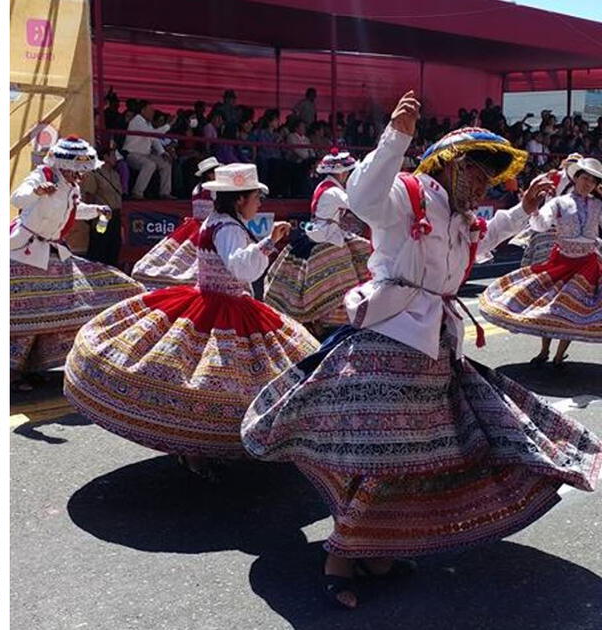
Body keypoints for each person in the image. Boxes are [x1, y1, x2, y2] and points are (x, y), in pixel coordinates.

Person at [242, 92, 600, 610]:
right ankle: (338, 559)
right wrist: (397, 136)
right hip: (385, 345)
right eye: (476, 171)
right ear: (451, 165)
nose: (482, 184)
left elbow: (487, 240)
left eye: (487, 177)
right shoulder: (406, 195)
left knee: (417, 460)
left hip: (435, 351)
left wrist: (523, 211)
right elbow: (362, 199)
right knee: (374, 456)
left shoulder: (460, 216)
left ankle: (375, 546)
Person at [66, 164, 318, 474]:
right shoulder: (227, 228)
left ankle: (201, 447)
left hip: (216, 301)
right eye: (256, 197)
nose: (259, 204)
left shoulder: (221, 221)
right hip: (222, 307)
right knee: (221, 381)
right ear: (240, 200)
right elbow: (243, 269)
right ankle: (209, 444)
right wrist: (269, 242)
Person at [10, 137, 144, 388]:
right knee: (25, 315)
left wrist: (96, 211)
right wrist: (36, 192)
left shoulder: (71, 186)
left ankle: (39, 364)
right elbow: (18, 198)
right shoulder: (43, 175)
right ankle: (13, 372)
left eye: (85, 171)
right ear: (65, 165)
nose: (82, 176)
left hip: (54, 255)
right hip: (24, 254)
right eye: (79, 171)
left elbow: (72, 211)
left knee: (57, 310)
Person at [480, 156, 602, 364]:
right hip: (562, 261)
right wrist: (535, 211)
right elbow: (541, 224)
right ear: (576, 179)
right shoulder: (559, 202)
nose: (587, 184)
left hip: (587, 263)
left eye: (592, 181)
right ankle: (545, 350)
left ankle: (557, 356)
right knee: (551, 309)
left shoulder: (598, 205)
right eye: (585, 178)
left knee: (571, 311)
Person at [264, 150, 373, 335]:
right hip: (328, 238)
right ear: (342, 173)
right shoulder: (333, 191)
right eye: (348, 172)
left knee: (361, 251)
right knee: (343, 276)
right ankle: (331, 319)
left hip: (324, 233)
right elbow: (356, 205)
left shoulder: (324, 186)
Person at [131, 157, 220, 288]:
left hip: (194, 225)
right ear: (210, 174)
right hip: (206, 225)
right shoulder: (214, 189)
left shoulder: (197, 188)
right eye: (216, 172)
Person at [81, 147, 125, 266]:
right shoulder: (94, 173)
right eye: (112, 155)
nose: (115, 159)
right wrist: (90, 217)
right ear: (105, 157)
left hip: (115, 214)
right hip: (102, 216)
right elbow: (89, 195)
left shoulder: (115, 174)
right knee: (99, 244)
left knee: (114, 245)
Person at [124, 101, 173, 199]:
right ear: (143, 110)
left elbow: (154, 140)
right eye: (150, 110)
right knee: (150, 164)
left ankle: (165, 193)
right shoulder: (137, 120)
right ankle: (137, 193)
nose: (153, 113)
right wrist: (168, 125)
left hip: (145, 155)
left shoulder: (148, 123)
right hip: (133, 154)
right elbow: (153, 134)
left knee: (165, 164)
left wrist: (163, 153)